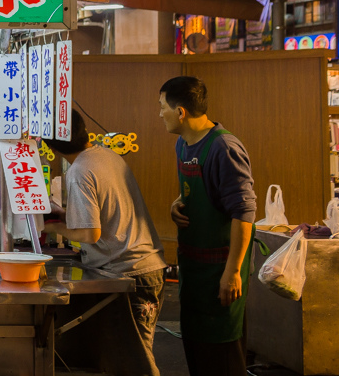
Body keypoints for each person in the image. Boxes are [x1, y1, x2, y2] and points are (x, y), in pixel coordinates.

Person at [42, 110, 167, 376]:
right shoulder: (107, 155)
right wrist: (67, 215)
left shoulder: (79, 170)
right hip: (144, 267)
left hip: (131, 271)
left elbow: (90, 234)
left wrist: (52, 226)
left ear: (49, 145)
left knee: (138, 363)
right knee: (127, 358)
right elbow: (108, 212)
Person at [159, 76, 256, 376]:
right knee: (198, 352)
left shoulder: (223, 147)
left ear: (181, 112)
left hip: (220, 271)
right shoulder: (183, 144)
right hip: (194, 270)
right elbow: (197, 190)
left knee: (222, 355)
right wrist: (176, 203)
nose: (159, 113)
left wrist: (233, 271)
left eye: (162, 106)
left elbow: (244, 212)